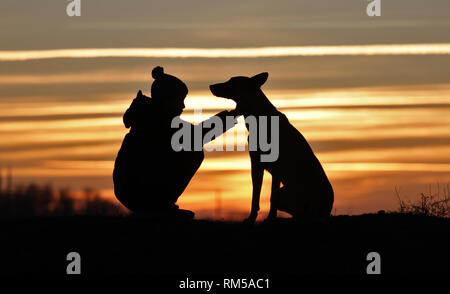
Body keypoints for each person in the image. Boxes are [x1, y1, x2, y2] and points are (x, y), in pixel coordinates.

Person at [113, 66, 237, 219]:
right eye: (179, 100)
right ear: (166, 100)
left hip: (131, 187)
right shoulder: (155, 120)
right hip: (136, 189)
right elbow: (198, 135)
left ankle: (160, 205)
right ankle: (159, 206)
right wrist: (233, 115)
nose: (183, 106)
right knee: (194, 151)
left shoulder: (150, 115)